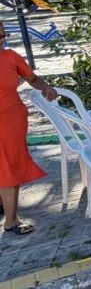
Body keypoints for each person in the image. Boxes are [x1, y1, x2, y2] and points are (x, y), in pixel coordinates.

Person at [0, 22, 58, 234]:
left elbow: (31, 78)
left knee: (10, 165)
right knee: (5, 168)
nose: (2, 40)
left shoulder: (10, 57)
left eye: (4, 35)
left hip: (12, 120)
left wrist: (46, 88)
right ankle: (10, 220)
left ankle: (10, 218)